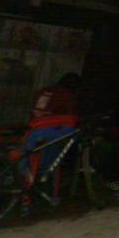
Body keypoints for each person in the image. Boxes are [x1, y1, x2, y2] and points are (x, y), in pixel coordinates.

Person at [19, 72, 82, 203]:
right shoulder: (66, 96)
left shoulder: (43, 91)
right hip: (49, 136)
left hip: (32, 135)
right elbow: (71, 119)